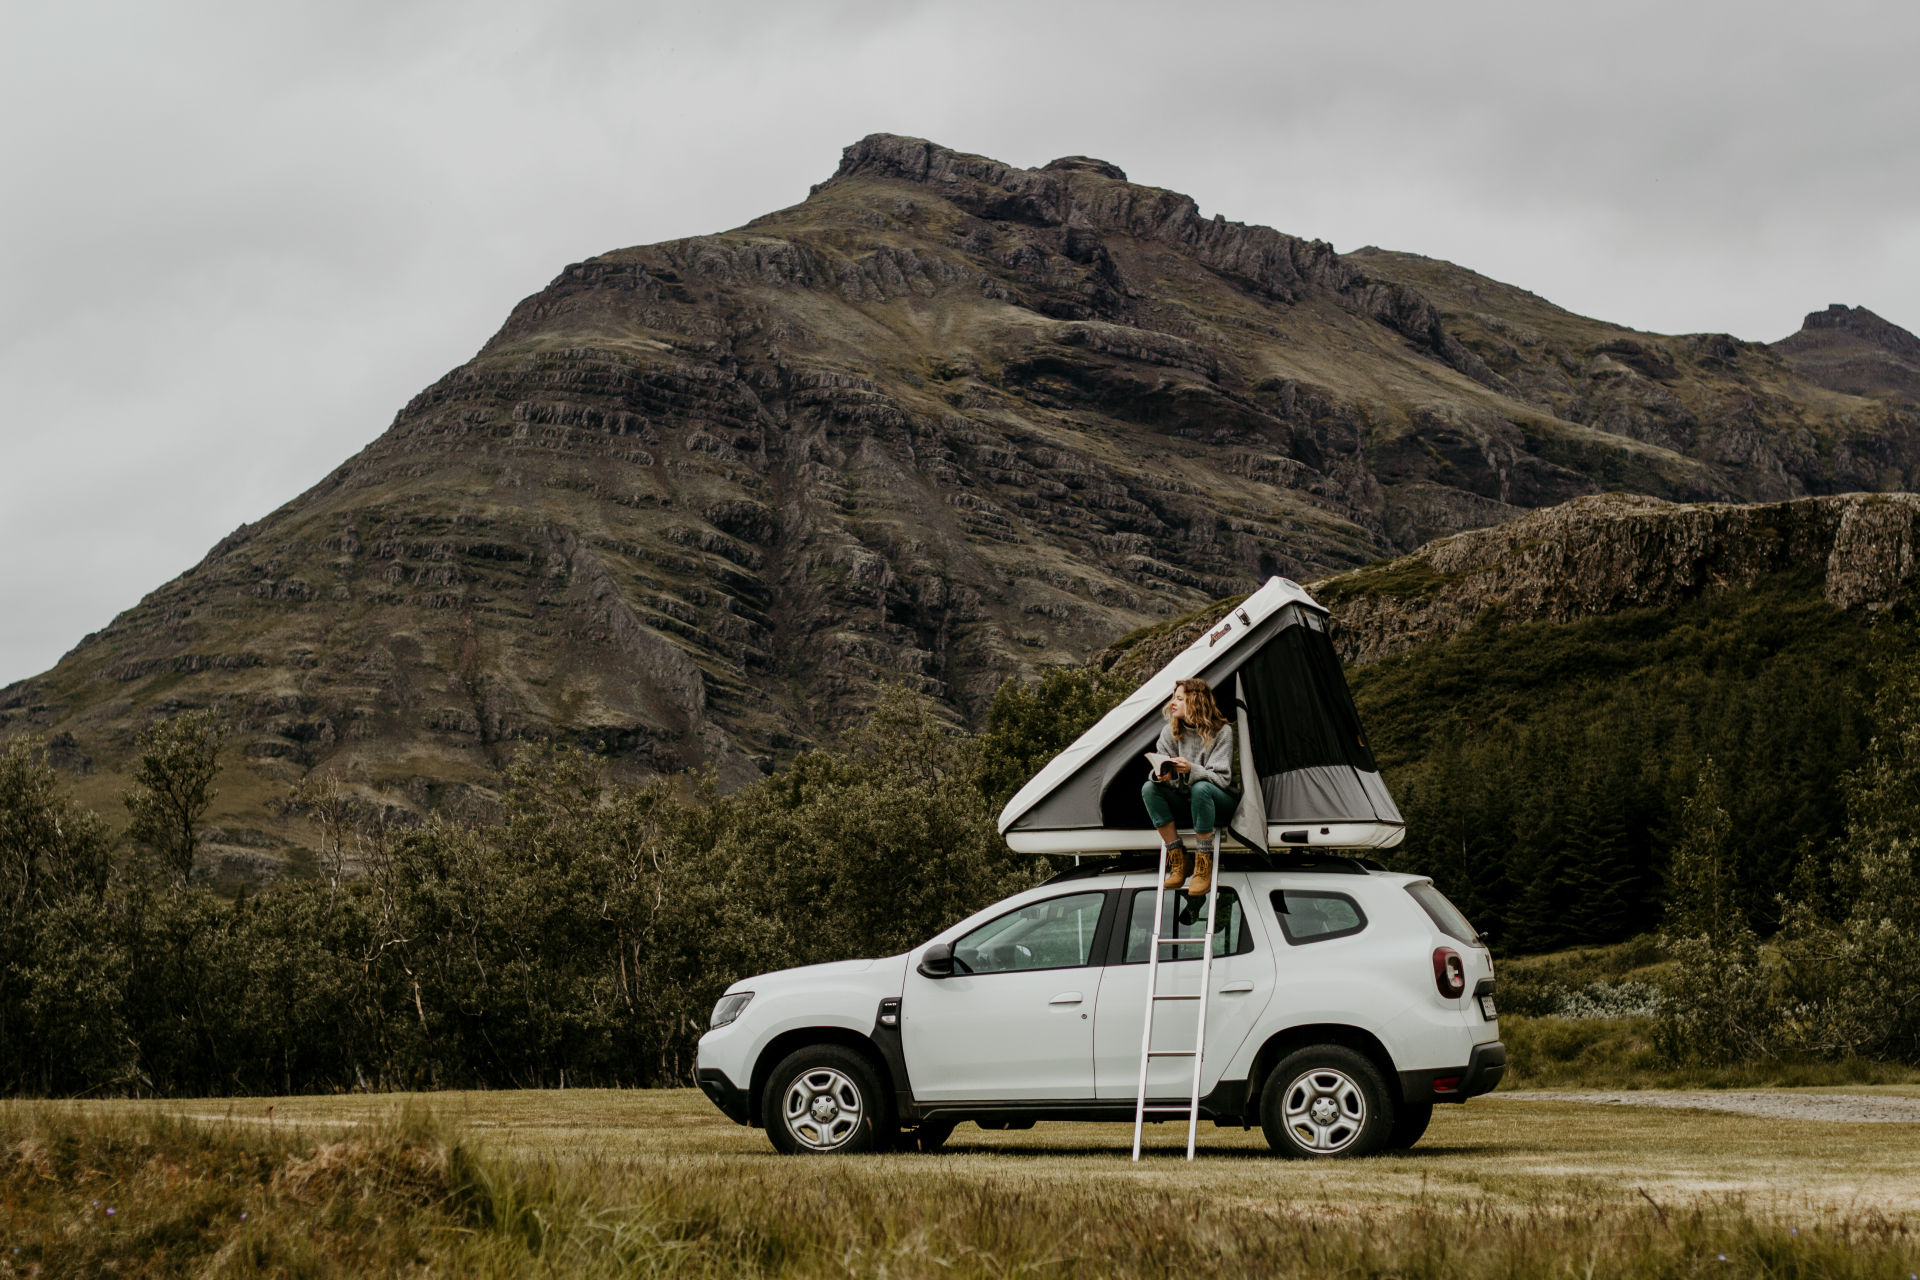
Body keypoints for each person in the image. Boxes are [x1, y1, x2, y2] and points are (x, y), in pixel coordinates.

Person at [1139, 678, 1240, 896]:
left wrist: (1190, 769)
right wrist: (1161, 775)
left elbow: (1222, 778)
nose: (1172, 703)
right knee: (1149, 788)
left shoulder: (1222, 732)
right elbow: (1161, 770)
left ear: (1194, 701)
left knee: (1200, 788)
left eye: (1179, 698)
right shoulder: (1169, 732)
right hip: (1188, 802)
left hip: (1218, 801)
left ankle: (1203, 864)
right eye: (1173, 698)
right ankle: (1178, 858)